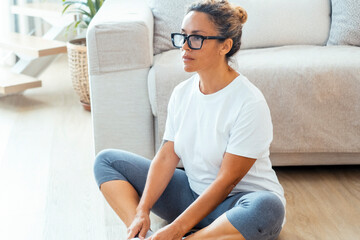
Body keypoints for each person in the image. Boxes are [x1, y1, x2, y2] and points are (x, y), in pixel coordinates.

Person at [93, 0, 286, 239]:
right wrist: (141, 211)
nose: (184, 47)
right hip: (190, 195)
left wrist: (177, 229)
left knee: (268, 208)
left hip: (235, 206)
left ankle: (188, 237)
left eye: (196, 38)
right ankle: (142, 234)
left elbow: (227, 181)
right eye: (182, 36)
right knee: (107, 161)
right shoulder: (182, 93)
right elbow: (166, 156)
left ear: (224, 46)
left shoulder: (249, 102)